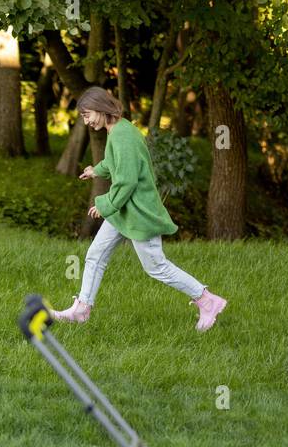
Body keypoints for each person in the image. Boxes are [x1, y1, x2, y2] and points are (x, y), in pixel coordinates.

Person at [51, 87, 228, 331]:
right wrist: (97, 170)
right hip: (125, 210)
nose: (86, 120)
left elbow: (127, 181)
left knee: (156, 266)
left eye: (87, 114)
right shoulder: (118, 130)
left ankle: (207, 301)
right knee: (95, 254)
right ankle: (82, 309)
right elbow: (117, 164)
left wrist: (105, 205)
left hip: (138, 212)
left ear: (102, 108)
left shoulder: (122, 135)